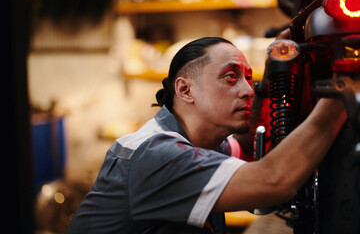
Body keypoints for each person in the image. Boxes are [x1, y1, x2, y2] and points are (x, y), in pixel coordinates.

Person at [66, 36, 347, 234]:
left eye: (249, 78)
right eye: (230, 76)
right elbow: (273, 182)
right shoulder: (156, 155)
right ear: (185, 90)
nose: (247, 89)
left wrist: (274, 75)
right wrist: (342, 93)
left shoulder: (204, 143)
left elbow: (248, 150)